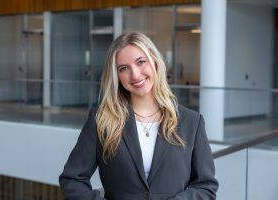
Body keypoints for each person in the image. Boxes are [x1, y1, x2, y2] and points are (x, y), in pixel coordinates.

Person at [59, 32, 218, 200]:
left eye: (141, 62)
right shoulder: (101, 120)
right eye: (123, 68)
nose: (135, 75)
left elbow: (206, 186)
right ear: (117, 76)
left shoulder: (192, 122)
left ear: (155, 62)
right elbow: (72, 180)